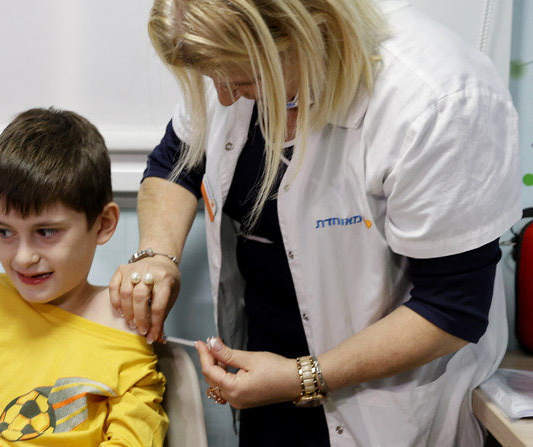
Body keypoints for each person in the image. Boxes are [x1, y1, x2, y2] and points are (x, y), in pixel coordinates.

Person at [109, 0, 521, 445]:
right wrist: (156, 254)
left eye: (243, 80)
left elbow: (451, 308)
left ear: (307, 32)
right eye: (215, 81)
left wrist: (300, 377)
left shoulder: (438, 98)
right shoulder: (238, 59)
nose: (225, 98)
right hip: (265, 377)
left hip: (386, 406)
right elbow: (178, 161)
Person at [0, 107, 168, 446]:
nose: (23, 257)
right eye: (5, 232)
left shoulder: (128, 328)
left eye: (45, 232)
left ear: (103, 224)